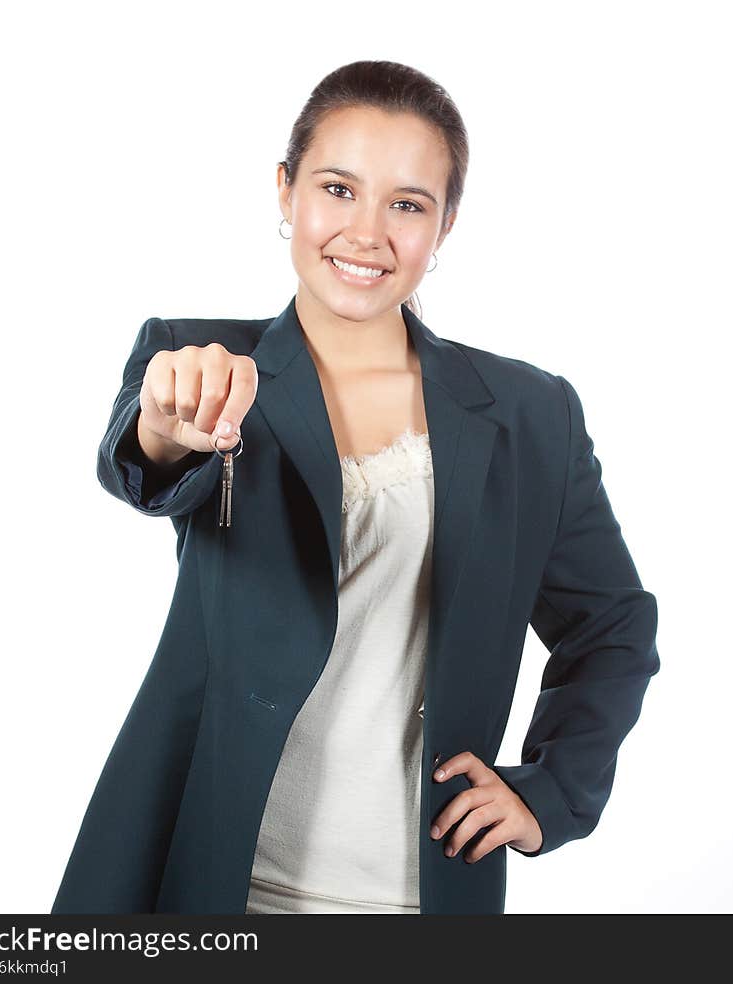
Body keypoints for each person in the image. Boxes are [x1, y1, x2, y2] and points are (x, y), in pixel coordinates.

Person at [51, 60, 660, 916]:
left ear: (445, 226)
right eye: (338, 188)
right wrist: (168, 423)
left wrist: (550, 790)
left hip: (420, 895)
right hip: (214, 878)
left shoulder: (530, 415)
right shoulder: (207, 363)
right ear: (285, 192)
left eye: (407, 205)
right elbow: (146, 456)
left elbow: (613, 624)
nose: (366, 233)